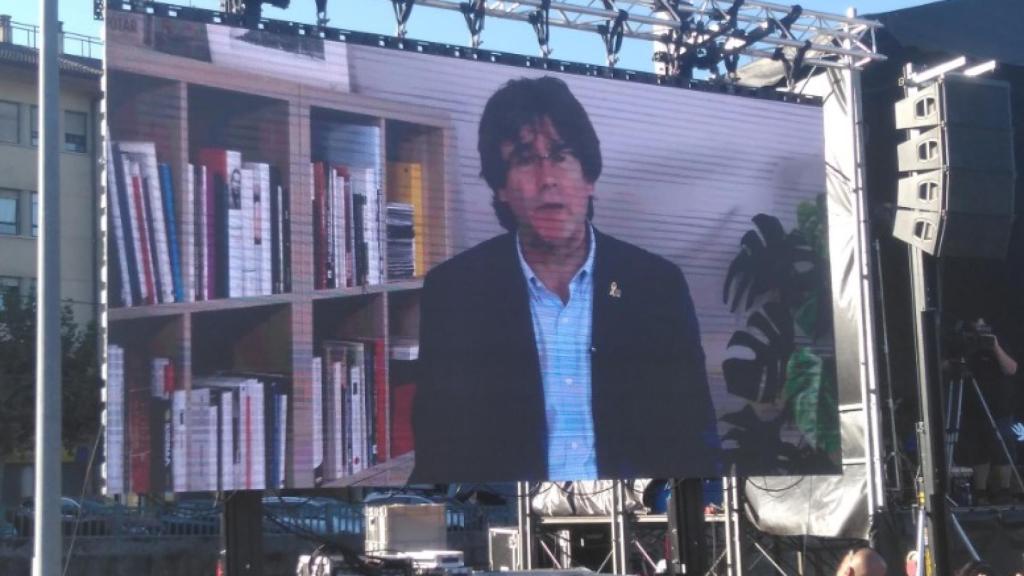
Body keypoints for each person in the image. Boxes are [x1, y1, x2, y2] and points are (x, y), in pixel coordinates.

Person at [410, 76, 720, 483]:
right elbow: (439, 453)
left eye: (560, 156)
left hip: (638, 524)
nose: (547, 178)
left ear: (588, 178)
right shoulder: (456, 292)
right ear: (501, 187)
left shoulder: (655, 285)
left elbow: (695, 441)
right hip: (509, 526)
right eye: (524, 159)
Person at [953, 318, 1020, 504]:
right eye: (977, 326)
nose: (980, 330)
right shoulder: (967, 345)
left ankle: (1005, 490)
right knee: (978, 451)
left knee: (1002, 448)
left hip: (1000, 407)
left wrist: (995, 346)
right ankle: (980, 491)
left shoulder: (999, 342)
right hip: (973, 407)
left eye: (983, 326)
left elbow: (1011, 369)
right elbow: (954, 365)